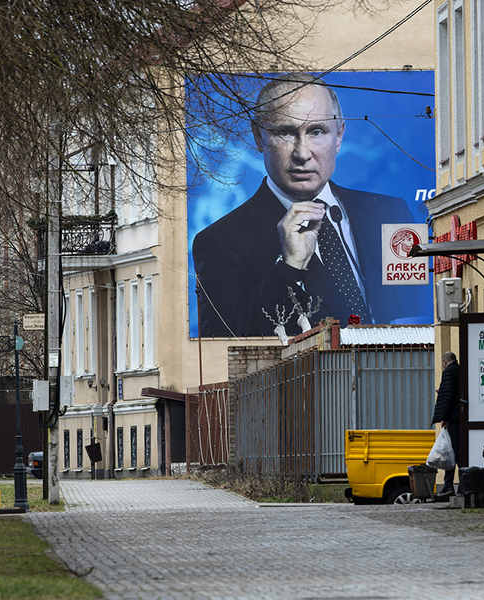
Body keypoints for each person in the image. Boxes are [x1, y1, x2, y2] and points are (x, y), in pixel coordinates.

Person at [192, 73, 428, 337]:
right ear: (259, 137)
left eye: (316, 132)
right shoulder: (219, 242)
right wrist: (290, 267)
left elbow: (421, 310)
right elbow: (225, 343)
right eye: (285, 132)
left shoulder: (391, 212)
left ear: (339, 136)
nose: (302, 153)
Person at [431, 351, 462, 496]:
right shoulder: (461, 370)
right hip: (461, 415)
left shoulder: (449, 372)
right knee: (457, 451)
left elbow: (448, 395)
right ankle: (458, 483)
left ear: (445, 362)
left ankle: (450, 485)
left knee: (451, 452)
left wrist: (444, 416)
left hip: (453, 417)